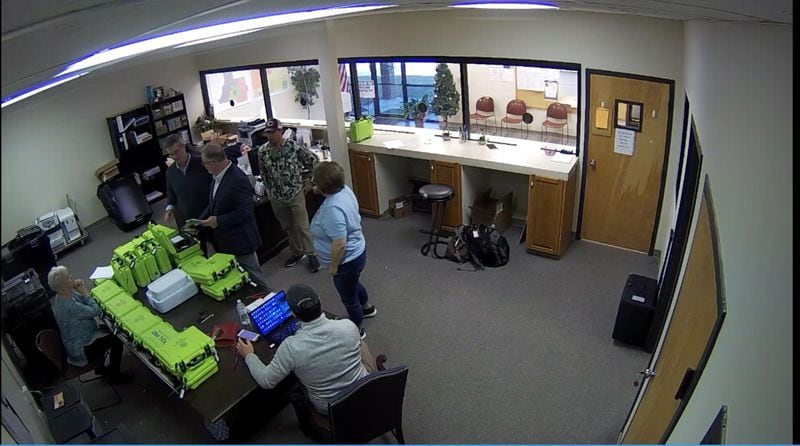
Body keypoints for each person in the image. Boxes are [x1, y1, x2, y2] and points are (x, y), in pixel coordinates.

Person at [235, 283, 377, 415]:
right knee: (361, 345)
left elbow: (266, 381)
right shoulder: (348, 326)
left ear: (293, 314)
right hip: (363, 389)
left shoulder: (291, 347)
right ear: (320, 301)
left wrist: (249, 355)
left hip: (331, 407)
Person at [310, 161, 376, 339]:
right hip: (357, 252)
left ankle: (357, 329)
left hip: (346, 261)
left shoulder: (333, 209)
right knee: (353, 283)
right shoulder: (344, 190)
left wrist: (333, 266)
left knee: (348, 297)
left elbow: (339, 243)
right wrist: (320, 189)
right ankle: (368, 308)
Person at [196, 143, 269, 288]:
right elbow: (214, 204)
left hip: (241, 241)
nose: (204, 167)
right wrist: (200, 221)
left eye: (205, 164)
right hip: (225, 240)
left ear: (214, 163)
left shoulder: (238, 179)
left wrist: (218, 221)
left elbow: (245, 212)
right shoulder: (217, 176)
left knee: (256, 279)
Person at [257, 118, 321, 272]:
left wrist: (309, 181)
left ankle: (311, 254)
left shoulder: (293, 147)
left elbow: (314, 160)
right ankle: (297, 252)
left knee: (302, 225)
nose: (270, 135)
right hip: (276, 197)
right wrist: (269, 189)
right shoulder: (263, 151)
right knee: (288, 227)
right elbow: (263, 173)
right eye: (268, 133)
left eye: (273, 132)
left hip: (295, 192)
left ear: (280, 131)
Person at [47, 265, 129, 383]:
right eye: (68, 278)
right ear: (64, 287)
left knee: (108, 330)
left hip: (80, 339)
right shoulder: (69, 306)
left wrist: (82, 293)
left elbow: (85, 301)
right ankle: (115, 375)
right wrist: (84, 290)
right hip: (82, 348)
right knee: (117, 339)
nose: (71, 277)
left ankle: (100, 367)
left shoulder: (63, 296)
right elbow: (95, 310)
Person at [163, 134, 212, 255]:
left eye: (176, 152)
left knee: (221, 247)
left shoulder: (202, 163)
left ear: (184, 147)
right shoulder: (170, 172)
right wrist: (169, 209)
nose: (174, 157)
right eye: (171, 154)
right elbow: (171, 193)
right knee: (198, 252)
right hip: (189, 220)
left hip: (209, 214)